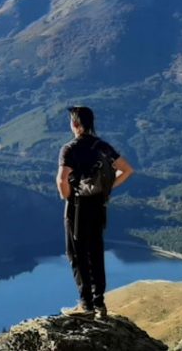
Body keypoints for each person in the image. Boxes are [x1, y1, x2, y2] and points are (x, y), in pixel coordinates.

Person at [56, 106, 134, 318]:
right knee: (95, 252)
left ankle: (86, 305)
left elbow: (62, 180)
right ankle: (99, 304)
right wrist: (107, 188)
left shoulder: (69, 149)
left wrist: (67, 196)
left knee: (76, 254)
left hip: (77, 207)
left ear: (75, 124)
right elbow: (127, 170)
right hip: (99, 206)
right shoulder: (102, 146)